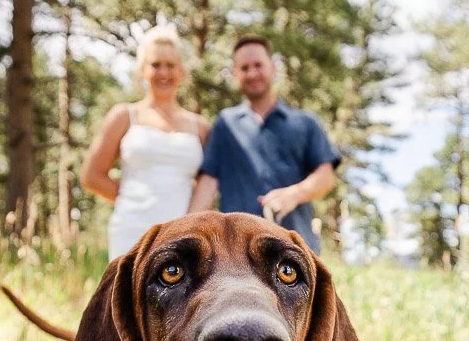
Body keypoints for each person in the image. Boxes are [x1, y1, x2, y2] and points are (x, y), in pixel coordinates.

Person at [188, 35, 340, 253]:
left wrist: (293, 194)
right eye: (244, 68)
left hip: (296, 247)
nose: (252, 73)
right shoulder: (225, 125)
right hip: (236, 253)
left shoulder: (306, 123)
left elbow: (325, 177)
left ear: (273, 68)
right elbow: (207, 184)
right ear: (235, 74)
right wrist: (184, 232)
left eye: (258, 65)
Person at [81, 26, 209, 260]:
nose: (164, 72)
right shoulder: (124, 116)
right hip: (131, 227)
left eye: (170, 65)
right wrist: (130, 196)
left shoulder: (200, 127)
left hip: (183, 231)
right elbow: (91, 176)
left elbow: (208, 182)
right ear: (142, 70)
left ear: (181, 71)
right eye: (156, 64)